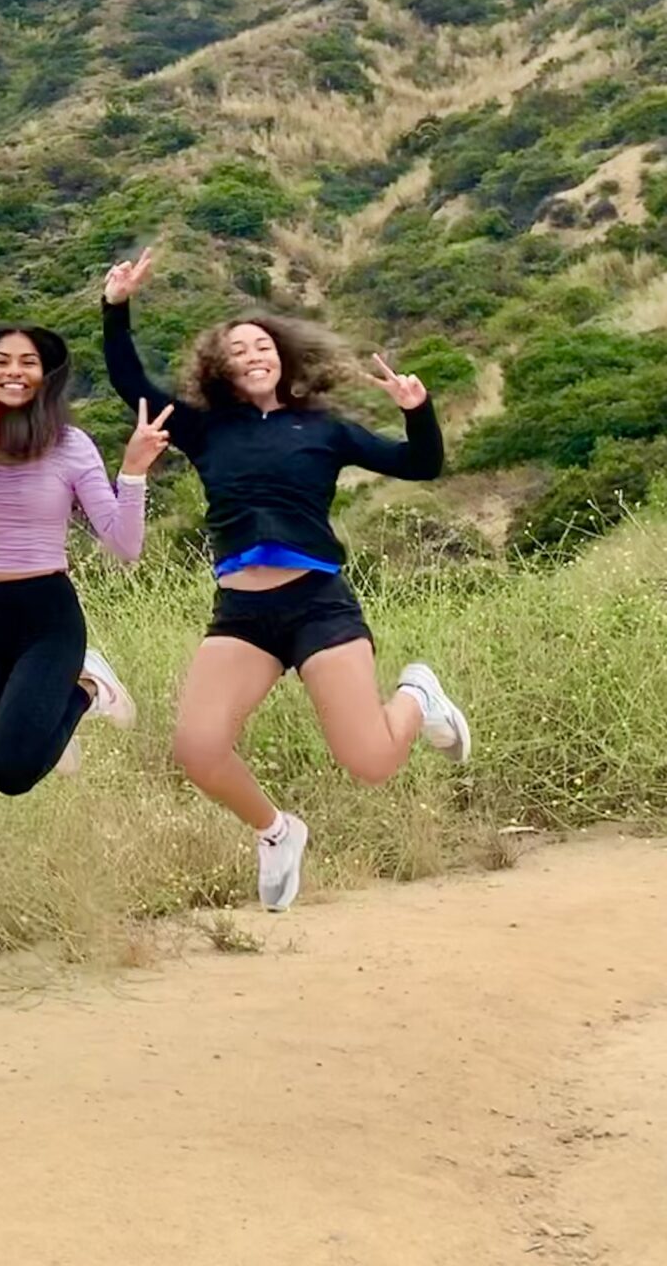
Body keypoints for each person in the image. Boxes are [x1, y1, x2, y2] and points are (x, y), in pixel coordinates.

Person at [101, 246, 472, 911]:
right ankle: (276, 832)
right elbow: (132, 383)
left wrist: (417, 409)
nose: (252, 354)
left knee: (372, 763)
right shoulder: (205, 429)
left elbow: (420, 464)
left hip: (318, 606)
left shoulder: (324, 430)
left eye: (262, 344)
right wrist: (116, 307)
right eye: (237, 349)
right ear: (220, 368)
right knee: (198, 749)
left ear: (284, 357)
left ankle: (419, 695)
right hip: (242, 616)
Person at [0, 326, 174, 795]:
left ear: (45, 375)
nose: (14, 371)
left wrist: (134, 473)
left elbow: (124, 544)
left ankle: (89, 686)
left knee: (11, 774)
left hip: (47, 617)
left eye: (29, 362)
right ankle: (42, 715)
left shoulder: (70, 443)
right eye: (2, 360)